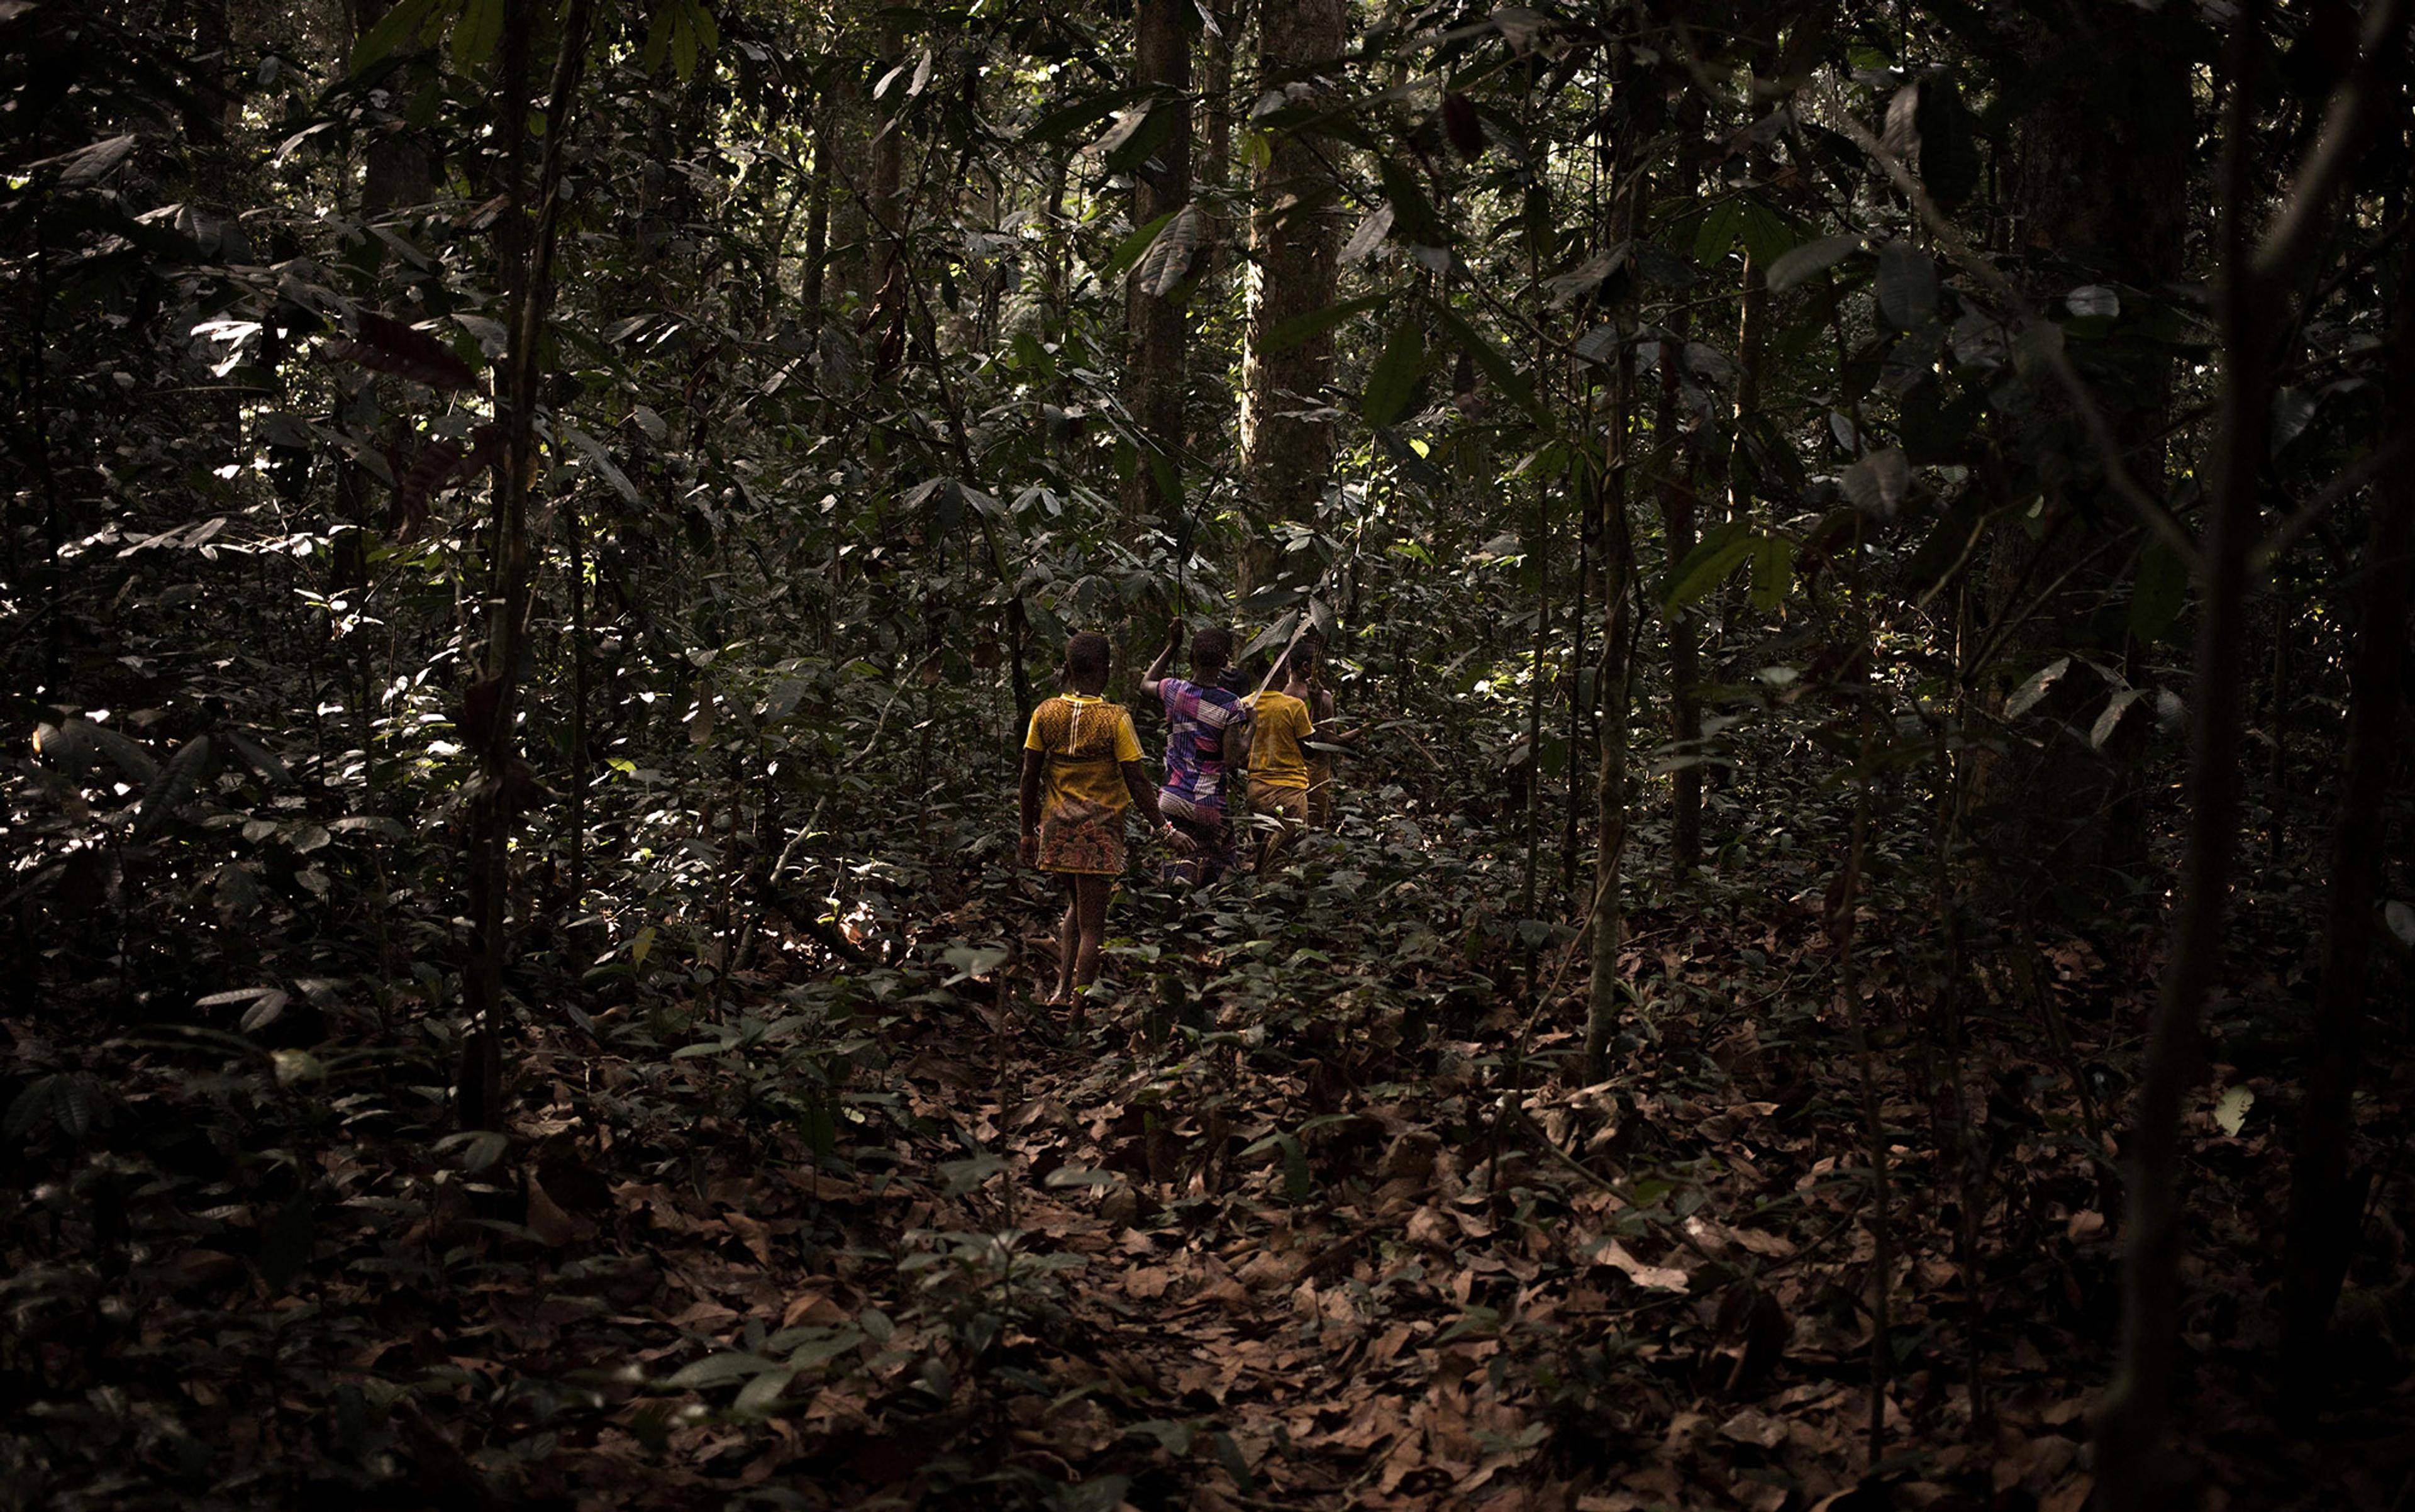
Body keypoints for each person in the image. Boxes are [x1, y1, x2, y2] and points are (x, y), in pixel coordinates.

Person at [1019, 632, 1185, 1006]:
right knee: (1093, 927)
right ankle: (1077, 1011)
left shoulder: (1044, 713)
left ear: (1069, 669)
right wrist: (1164, 830)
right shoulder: (1115, 719)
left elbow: (1029, 775)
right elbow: (1137, 781)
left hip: (1056, 831)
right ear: (1106, 671)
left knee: (1076, 908)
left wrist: (1027, 833)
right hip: (1099, 834)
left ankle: (1062, 990)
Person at [1141, 620, 1250, 885]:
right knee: (1221, 871)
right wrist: (1253, 725)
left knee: (1176, 867)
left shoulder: (1173, 690)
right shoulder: (1231, 705)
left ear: (1191, 657)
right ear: (1225, 661)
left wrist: (1172, 645)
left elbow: (1146, 684)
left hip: (1172, 797)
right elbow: (1233, 760)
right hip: (1209, 803)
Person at [1241, 653, 1318, 876]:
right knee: (1282, 857)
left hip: (1257, 790)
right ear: (1284, 673)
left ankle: (1259, 897)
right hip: (1291, 791)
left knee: (1262, 851)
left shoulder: (1244, 705)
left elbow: (1237, 752)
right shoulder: (1294, 706)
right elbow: (1309, 752)